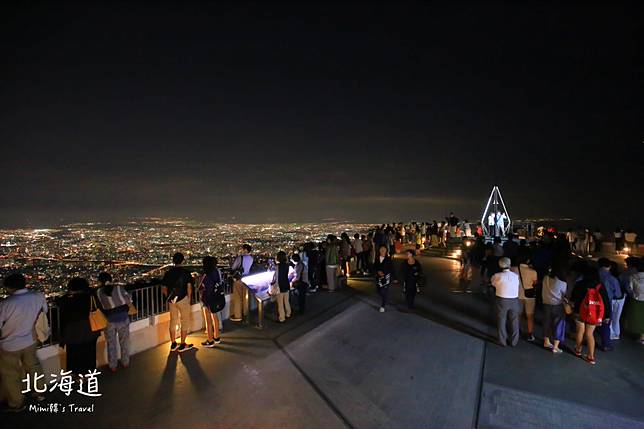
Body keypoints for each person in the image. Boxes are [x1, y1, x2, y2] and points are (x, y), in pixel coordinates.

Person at [0, 273, 48, 412]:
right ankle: (40, 392)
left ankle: (16, 402)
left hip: (9, 345)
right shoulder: (38, 296)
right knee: (33, 366)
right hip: (30, 340)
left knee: (10, 374)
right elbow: (43, 313)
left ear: (8, 287)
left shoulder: (5, 304)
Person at [58, 277, 101, 374]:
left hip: (73, 331)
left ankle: (77, 374)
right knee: (90, 351)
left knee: (74, 353)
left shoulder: (68, 299)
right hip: (90, 328)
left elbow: (59, 302)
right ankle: (89, 373)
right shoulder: (90, 296)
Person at [571, 265, 611, 364]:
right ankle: (591, 356)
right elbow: (606, 302)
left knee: (580, 331)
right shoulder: (600, 286)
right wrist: (607, 315)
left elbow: (573, 298)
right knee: (589, 334)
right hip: (593, 313)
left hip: (579, 311)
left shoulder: (580, 283)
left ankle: (578, 350)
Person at [96, 272, 131, 372]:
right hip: (123, 318)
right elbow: (128, 299)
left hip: (109, 320)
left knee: (111, 343)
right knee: (124, 342)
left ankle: (113, 366)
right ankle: (125, 362)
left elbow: (100, 306)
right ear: (110, 279)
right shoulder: (119, 288)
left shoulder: (99, 292)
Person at [161, 252, 194, 352]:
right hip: (183, 299)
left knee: (173, 321)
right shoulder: (186, 272)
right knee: (185, 321)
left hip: (172, 301)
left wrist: (170, 298)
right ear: (182, 260)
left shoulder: (168, 273)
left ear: (173, 261)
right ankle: (183, 344)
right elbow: (189, 287)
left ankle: (173, 343)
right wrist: (189, 298)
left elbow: (163, 288)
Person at [491, 257, 520, 347]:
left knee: (501, 320)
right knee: (514, 321)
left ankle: (502, 341)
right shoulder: (516, 276)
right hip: (514, 299)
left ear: (500, 265)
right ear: (509, 264)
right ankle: (514, 341)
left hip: (501, 300)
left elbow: (493, 284)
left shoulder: (497, 275)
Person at [198, 256, 223, 347]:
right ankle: (216, 337)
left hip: (208, 299)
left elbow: (204, 287)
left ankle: (210, 340)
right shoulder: (216, 271)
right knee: (215, 317)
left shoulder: (207, 274)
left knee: (208, 320)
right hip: (216, 297)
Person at [542, 269, 567, 353]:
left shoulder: (545, 278)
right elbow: (565, 295)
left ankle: (546, 341)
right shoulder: (562, 283)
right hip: (558, 306)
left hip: (546, 304)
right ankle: (555, 347)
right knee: (558, 325)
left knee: (546, 323)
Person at [597, 258, 620, 351]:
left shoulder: (595, 275)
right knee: (606, 324)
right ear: (609, 266)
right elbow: (618, 294)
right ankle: (605, 344)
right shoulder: (613, 279)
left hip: (593, 302)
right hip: (606, 304)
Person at [514, 258, 537, 342]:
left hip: (518, 294)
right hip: (529, 296)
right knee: (530, 316)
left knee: (518, 314)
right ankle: (530, 334)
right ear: (528, 260)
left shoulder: (514, 269)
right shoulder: (533, 271)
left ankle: (518, 331)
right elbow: (535, 283)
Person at [230, 244, 253, 321]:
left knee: (238, 297)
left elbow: (233, 267)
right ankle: (246, 314)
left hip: (239, 279)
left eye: (242, 249)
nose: (241, 251)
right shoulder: (251, 258)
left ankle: (238, 315)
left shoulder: (240, 258)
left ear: (245, 250)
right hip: (247, 279)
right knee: (245, 297)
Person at [625, 259, 644, 344]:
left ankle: (641, 336)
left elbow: (630, 289)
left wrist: (634, 295)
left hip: (636, 299)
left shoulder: (632, 276)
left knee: (637, 318)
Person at [272, 251, 292, 322]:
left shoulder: (277, 266)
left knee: (280, 303)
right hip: (286, 284)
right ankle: (288, 314)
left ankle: (282, 318)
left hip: (280, 285)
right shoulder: (287, 265)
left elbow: (276, 277)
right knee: (286, 301)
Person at [373, 245, 393, 313]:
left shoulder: (388, 259)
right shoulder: (377, 258)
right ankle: (385, 299)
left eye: (384, 249)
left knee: (383, 291)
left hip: (386, 277)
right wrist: (377, 271)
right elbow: (374, 267)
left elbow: (391, 268)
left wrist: (395, 278)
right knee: (378, 290)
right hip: (378, 278)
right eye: (381, 249)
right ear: (379, 250)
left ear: (386, 251)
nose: (382, 251)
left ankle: (383, 305)